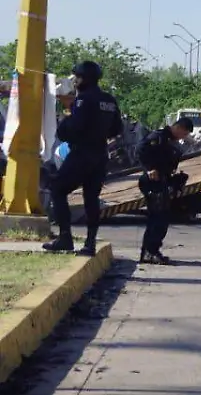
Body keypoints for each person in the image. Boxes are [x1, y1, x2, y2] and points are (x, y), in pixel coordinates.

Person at [42, 61, 123, 256]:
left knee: (57, 189)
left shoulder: (83, 100)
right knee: (91, 199)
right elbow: (117, 129)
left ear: (84, 78)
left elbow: (73, 129)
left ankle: (65, 237)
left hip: (82, 153)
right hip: (100, 155)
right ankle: (90, 243)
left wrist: (65, 122)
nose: (75, 82)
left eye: (76, 78)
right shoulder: (109, 100)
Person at [136, 117, 193, 264]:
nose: (184, 137)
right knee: (157, 218)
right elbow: (140, 150)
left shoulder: (169, 141)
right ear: (178, 127)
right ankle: (149, 252)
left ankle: (152, 250)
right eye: (184, 133)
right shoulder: (159, 136)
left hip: (162, 181)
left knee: (161, 218)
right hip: (152, 181)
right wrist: (149, 169)